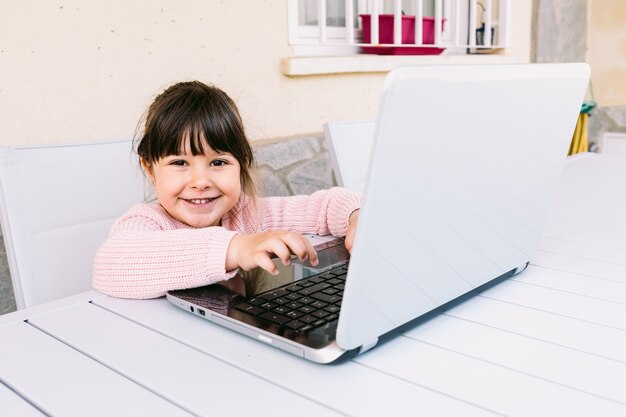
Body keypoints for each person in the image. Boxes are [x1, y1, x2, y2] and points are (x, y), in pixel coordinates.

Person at [93, 81, 361, 299]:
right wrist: (236, 248)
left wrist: (356, 217)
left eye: (218, 162)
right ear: (151, 170)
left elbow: (327, 205)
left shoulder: (248, 214)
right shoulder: (148, 221)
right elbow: (112, 262)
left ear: (241, 165)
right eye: (179, 163)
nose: (200, 181)